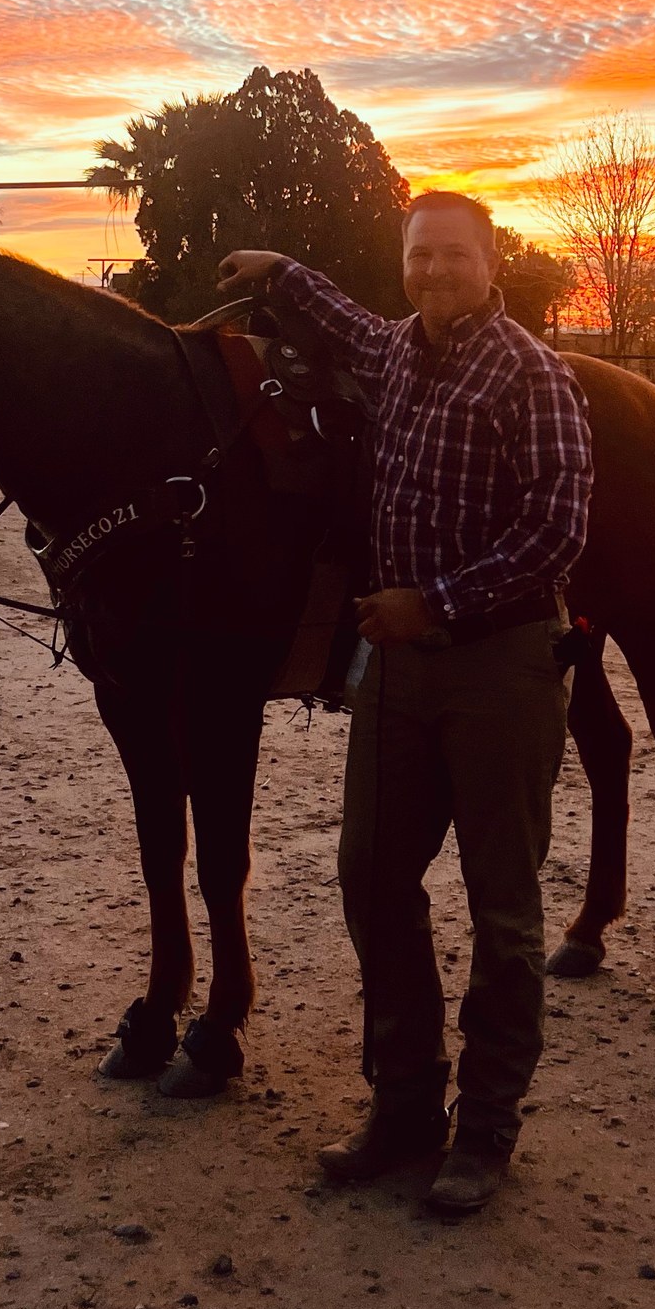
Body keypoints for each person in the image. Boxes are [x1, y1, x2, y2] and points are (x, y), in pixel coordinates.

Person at [217, 191, 593, 1214]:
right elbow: (337, 315)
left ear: (490, 258)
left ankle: (485, 1132)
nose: (434, 272)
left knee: (503, 909)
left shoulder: (533, 376)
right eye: (420, 257)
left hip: (498, 667)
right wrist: (279, 269)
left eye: (453, 256)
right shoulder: (393, 350)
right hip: (399, 668)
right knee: (372, 878)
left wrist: (436, 604)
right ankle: (405, 1106)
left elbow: (557, 532)